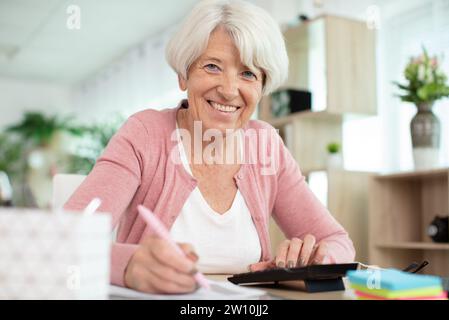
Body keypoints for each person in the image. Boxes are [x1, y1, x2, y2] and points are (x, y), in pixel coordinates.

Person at [65, 0, 355, 294]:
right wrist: (128, 265)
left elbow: (338, 242)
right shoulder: (145, 134)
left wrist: (312, 260)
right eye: (213, 66)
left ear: (262, 88)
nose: (229, 90)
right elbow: (64, 239)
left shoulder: (266, 145)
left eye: (248, 74)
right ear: (183, 74)